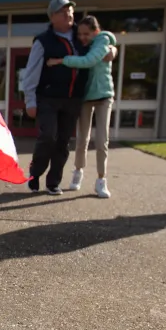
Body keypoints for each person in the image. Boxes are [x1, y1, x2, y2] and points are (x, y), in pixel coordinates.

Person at [22, 0, 114, 194]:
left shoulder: (81, 36)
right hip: (48, 97)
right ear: (52, 17)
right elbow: (31, 72)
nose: (69, 14)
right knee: (48, 136)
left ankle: (53, 182)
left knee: (63, 141)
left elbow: (103, 40)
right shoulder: (43, 41)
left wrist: (113, 49)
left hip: (73, 99)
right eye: (63, 11)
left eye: (70, 10)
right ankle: (35, 174)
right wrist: (29, 100)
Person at [47, 15, 116, 198]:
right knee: (81, 140)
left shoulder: (102, 41)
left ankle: (101, 180)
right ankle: (78, 171)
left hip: (103, 96)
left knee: (102, 140)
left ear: (96, 32)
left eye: (87, 34)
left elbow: (89, 61)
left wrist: (61, 60)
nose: (83, 37)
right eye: (80, 34)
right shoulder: (80, 46)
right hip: (85, 96)